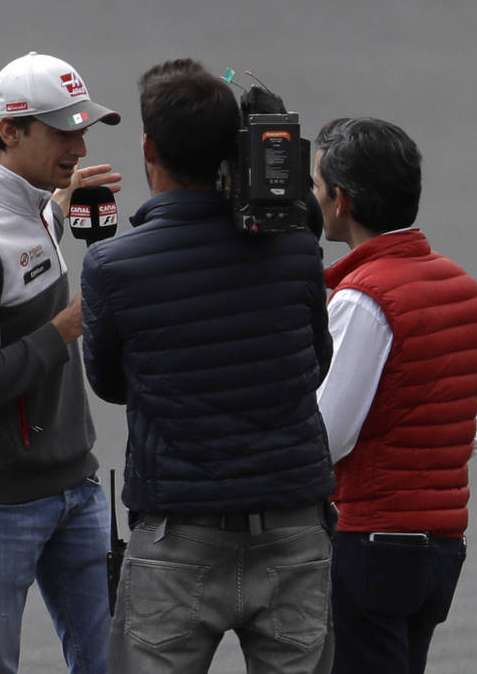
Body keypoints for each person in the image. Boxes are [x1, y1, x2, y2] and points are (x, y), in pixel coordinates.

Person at [81, 58, 337, 674]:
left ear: (150, 148)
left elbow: (110, 384)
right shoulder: (296, 249)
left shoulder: (114, 267)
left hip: (177, 534)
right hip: (293, 526)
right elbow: (316, 363)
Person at [0, 52, 121, 674]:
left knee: (111, 664)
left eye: (82, 129)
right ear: (10, 131)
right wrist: (67, 326)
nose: (78, 146)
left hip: (76, 487)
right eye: (62, 132)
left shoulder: (33, 206)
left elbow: (26, 262)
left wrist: (60, 205)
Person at [312, 117, 477, 674]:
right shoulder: (460, 286)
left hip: (371, 542)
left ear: (342, 201)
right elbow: (468, 430)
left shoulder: (362, 298)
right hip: (441, 545)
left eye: (316, 186)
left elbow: (326, 437)